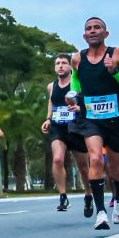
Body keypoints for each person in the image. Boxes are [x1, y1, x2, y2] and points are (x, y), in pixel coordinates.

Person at [66, 17, 119, 231]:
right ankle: (100, 213)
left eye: (97, 27)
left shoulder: (118, 54)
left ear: (106, 33)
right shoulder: (77, 59)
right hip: (90, 119)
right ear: (84, 36)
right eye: (89, 28)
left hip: (115, 119)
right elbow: (76, 80)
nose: (93, 31)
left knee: (114, 166)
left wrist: (115, 72)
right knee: (95, 158)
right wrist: (74, 95)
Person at [41, 53, 93, 215]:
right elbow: (51, 101)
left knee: (83, 167)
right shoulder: (52, 86)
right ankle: (63, 196)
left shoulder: (78, 84)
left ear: (70, 66)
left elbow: (88, 102)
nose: (61, 66)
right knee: (57, 159)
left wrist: (78, 108)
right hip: (58, 127)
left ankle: (89, 195)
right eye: (58, 63)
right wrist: (48, 118)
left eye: (64, 63)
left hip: (77, 127)